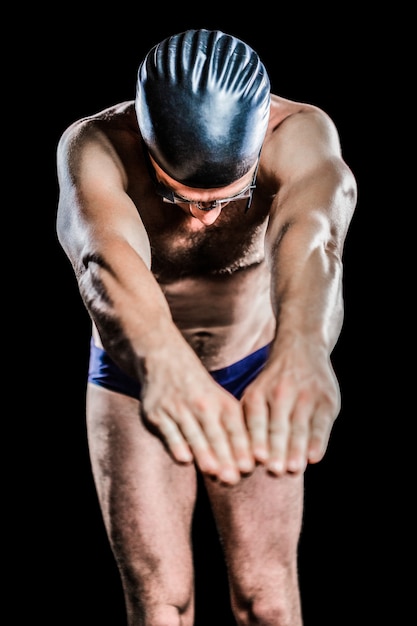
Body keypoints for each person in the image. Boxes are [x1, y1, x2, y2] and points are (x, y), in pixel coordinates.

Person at [56, 28, 357, 626]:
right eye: (180, 198)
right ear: (147, 146)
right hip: (134, 372)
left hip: (251, 363)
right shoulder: (96, 145)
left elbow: (317, 240)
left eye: (228, 197)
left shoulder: (297, 135)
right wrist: (162, 363)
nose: (204, 216)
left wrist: (303, 348)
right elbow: (102, 262)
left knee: (267, 598)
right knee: (161, 604)